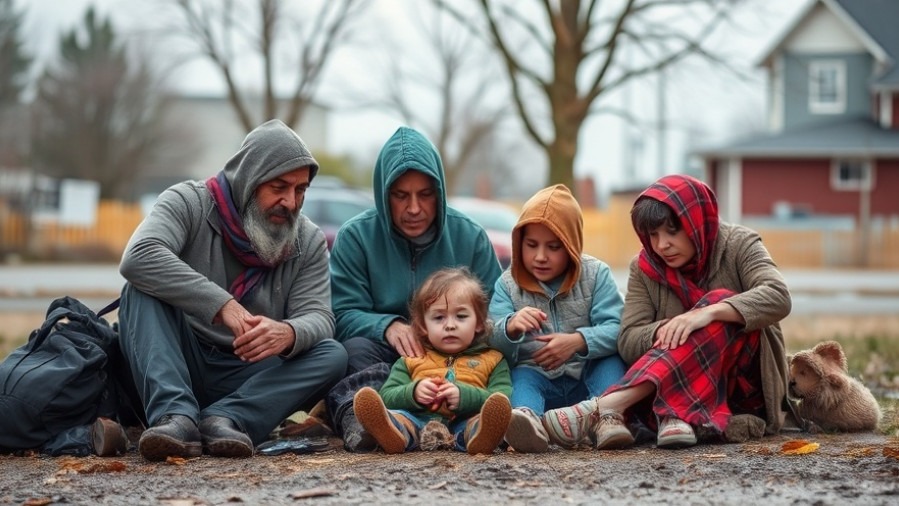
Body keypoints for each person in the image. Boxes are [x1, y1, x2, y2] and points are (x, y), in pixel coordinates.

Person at [117, 119, 348, 461]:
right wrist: (222, 304)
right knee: (139, 289)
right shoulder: (188, 202)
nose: (291, 201)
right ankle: (175, 418)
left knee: (332, 354)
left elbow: (320, 316)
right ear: (249, 180)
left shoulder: (308, 239)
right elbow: (139, 256)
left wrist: (287, 332)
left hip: (247, 375)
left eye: (301, 190)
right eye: (279, 187)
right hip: (176, 359)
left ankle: (226, 420)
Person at [543, 174, 793, 449]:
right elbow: (628, 340)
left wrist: (708, 312)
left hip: (742, 386)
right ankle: (674, 415)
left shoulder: (739, 244)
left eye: (672, 231)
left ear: (695, 221)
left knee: (718, 303)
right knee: (685, 327)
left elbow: (778, 295)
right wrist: (671, 327)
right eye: (653, 235)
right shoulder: (644, 267)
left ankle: (607, 405)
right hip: (669, 388)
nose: (662, 245)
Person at [326, 126, 502, 451]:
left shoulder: (471, 236)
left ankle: (477, 424)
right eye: (400, 195)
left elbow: (496, 310)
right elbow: (341, 312)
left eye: (425, 194)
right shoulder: (355, 236)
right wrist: (386, 325)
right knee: (353, 351)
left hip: (457, 353)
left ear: (439, 192)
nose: (414, 208)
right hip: (385, 355)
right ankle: (364, 423)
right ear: (383, 193)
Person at [489, 184, 626, 453]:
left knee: (610, 362)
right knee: (520, 377)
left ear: (572, 247)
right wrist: (509, 327)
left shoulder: (596, 275)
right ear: (519, 243)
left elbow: (619, 329)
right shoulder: (507, 284)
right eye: (531, 245)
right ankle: (526, 421)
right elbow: (490, 339)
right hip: (538, 375)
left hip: (586, 377)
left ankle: (608, 418)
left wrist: (578, 341)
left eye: (553, 247)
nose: (540, 256)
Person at [353, 267, 512, 455]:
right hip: (417, 420)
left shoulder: (492, 359)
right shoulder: (412, 358)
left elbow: (502, 399)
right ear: (423, 326)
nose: (450, 325)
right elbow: (387, 396)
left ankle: (482, 438)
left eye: (461, 316)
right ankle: (393, 434)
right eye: (438, 317)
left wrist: (464, 396)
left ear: (479, 322)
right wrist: (414, 392)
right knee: (401, 418)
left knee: (478, 422)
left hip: (465, 421)